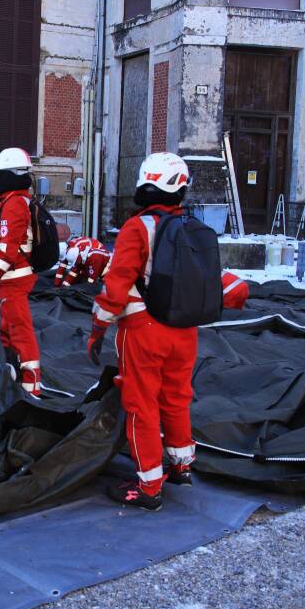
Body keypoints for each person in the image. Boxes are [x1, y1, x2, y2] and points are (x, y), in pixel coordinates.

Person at [87, 152, 196, 511]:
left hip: (144, 332)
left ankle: (149, 487)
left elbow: (116, 286)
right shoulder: (192, 227)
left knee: (142, 406)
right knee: (177, 398)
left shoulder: (138, 228)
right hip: (185, 331)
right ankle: (181, 466)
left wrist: (98, 327)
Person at [0, 147, 42, 398]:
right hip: (9, 279)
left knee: (20, 332)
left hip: (13, 279)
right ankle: (13, 374)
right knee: (8, 331)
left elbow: (8, 246)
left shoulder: (15, 203)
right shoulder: (13, 201)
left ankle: (31, 387)